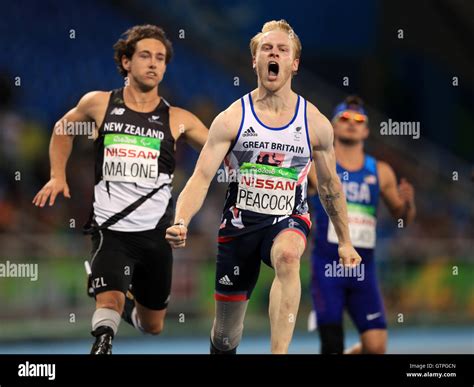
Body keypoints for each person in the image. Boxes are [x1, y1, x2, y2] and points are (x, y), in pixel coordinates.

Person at [165, 20, 362, 354]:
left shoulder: (314, 123)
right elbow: (200, 177)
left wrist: (345, 241)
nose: (274, 54)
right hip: (239, 226)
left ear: (294, 63)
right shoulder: (231, 119)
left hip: (288, 219)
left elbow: (329, 186)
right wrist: (181, 219)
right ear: (254, 60)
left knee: (288, 257)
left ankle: (278, 353)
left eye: (282, 50)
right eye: (266, 49)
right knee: (226, 334)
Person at [32, 25, 208, 354]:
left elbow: (219, 151)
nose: (154, 63)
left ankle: (122, 305)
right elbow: (63, 129)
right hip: (110, 230)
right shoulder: (99, 104)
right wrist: (58, 175)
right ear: (126, 62)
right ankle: (103, 340)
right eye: (145, 55)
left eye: (160, 58)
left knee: (152, 326)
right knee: (109, 299)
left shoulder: (179, 119)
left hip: (156, 235)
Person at [307, 95, 416, 354]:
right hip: (327, 269)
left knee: (376, 347)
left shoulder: (380, 171)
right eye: (344, 118)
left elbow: (402, 218)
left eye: (359, 120)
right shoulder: (318, 165)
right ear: (332, 126)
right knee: (331, 345)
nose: (351, 123)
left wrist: (408, 204)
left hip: (363, 271)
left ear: (366, 129)